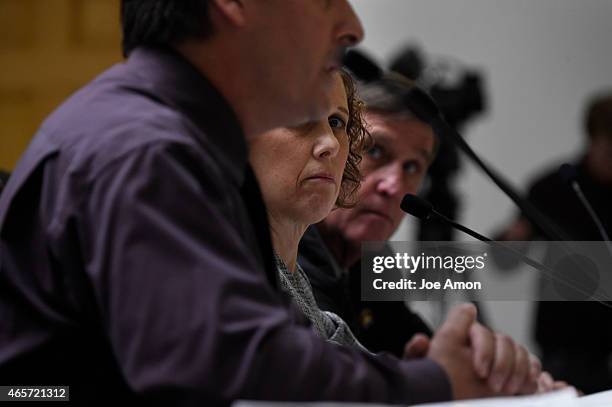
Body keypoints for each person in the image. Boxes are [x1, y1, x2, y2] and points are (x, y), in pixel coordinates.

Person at [0, 0, 510, 404]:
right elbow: (236, 367)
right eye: (325, 0)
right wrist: (433, 384)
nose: (352, 26)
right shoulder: (147, 149)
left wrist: (425, 373)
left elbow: (283, 342)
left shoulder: (174, 141)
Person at [299, 77, 441, 357]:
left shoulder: (374, 260)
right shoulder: (282, 255)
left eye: (412, 166)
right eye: (375, 151)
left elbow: (422, 347)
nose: (395, 186)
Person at [497, 91, 612, 394]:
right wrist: (512, 240)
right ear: (593, 139)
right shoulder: (553, 187)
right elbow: (504, 259)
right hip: (566, 342)